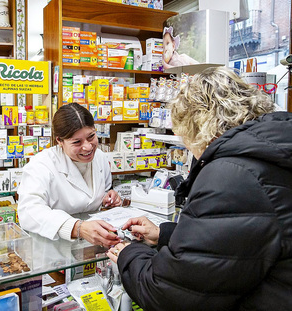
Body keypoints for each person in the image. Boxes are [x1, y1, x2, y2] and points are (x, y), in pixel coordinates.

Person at [107, 66, 292, 310]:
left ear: (197, 127)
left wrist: (128, 255)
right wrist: (164, 235)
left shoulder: (230, 175)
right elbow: (240, 238)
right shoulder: (273, 148)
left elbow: (168, 294)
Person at [18, 103, 121, 247]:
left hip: (96, 246)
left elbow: (91, 198)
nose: (88, 147)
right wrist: (77, 228)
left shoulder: (100, 158)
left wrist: (106, 199)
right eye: (77, 142)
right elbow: (28, 212)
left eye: (91, 136)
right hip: (53, 249)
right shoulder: (41, 165)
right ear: (60, 141)